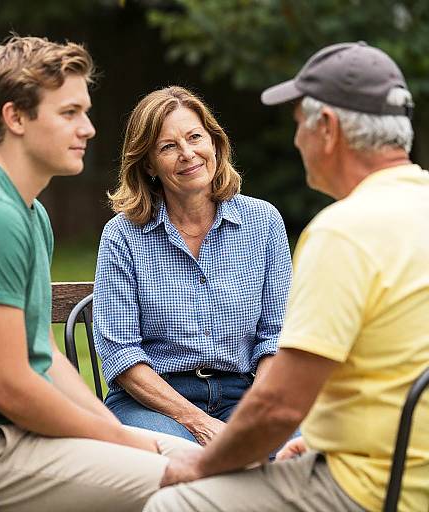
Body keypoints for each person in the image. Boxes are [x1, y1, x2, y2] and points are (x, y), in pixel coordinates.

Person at [144, 42, 429, 512]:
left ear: (328, 130)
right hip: (400, 469)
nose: (297, 141)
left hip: (376, 487)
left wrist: (198, 466)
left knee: (172, 504)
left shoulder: (344, 232)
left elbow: (279, 406)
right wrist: (319, 446)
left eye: (299, 125)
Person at [0, 36, 194, 512]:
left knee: (207, 461)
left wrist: (122, 437)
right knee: (195, 487)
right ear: (16, 117)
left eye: (84, 112)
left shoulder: (27, 213)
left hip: (16, 437)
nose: (87, 128)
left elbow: (40, 357)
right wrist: (122, 442)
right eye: (69, 113)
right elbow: (9, 386)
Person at [93, 86, 292, 445]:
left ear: (214, 143)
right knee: (186, 459)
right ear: (149, 163)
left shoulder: (264, 223)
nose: (188, 153)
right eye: (168, 146)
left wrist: (254, 414)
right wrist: (198, 421)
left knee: (298, 453)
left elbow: (275, 338)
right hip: (154, 403)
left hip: (243, 393)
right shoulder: (122, 236)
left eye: (195, 137)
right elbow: (121, 354)